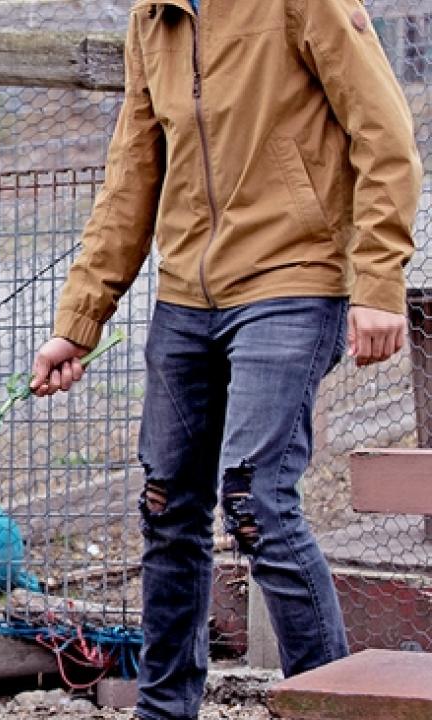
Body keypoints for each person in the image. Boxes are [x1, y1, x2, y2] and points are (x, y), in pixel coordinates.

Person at [28, 1, 421, 719]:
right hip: (186, 295)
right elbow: (132, 174)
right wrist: (79, 321)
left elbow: (384, 134)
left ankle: (329, 705)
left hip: (293, 279)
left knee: (257, 500)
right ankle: (163, 709)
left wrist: (378, 282)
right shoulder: (155, 17)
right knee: (167, 506)